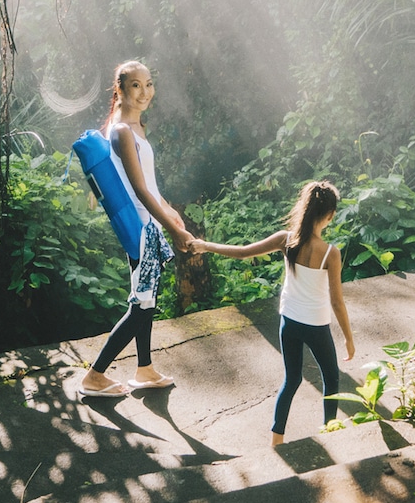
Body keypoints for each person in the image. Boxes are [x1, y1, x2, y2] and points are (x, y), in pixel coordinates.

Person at [196, 181, 355, 444]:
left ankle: (276, 440)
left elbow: (243, 252)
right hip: (316, 325)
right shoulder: (330, 253)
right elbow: (337, 303)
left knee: (291, 380)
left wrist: (205, 245)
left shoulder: (287, 239)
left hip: (289, 322)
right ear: (330, 215)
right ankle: (330, 432)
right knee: (332, 378)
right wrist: (349, 338)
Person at [78, 61, 197, 398]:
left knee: (148, 300)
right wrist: (171, 229)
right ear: (119, 89)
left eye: (149, 84)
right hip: (140, 226)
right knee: (140, 303)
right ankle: (95, 376)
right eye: (135, 85)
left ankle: (144, 369)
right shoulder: (121, 132)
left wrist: (170, 212)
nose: (144, 92)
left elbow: (150, 186)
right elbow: (139, 190)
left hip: (151, 222)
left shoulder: (136, 128)